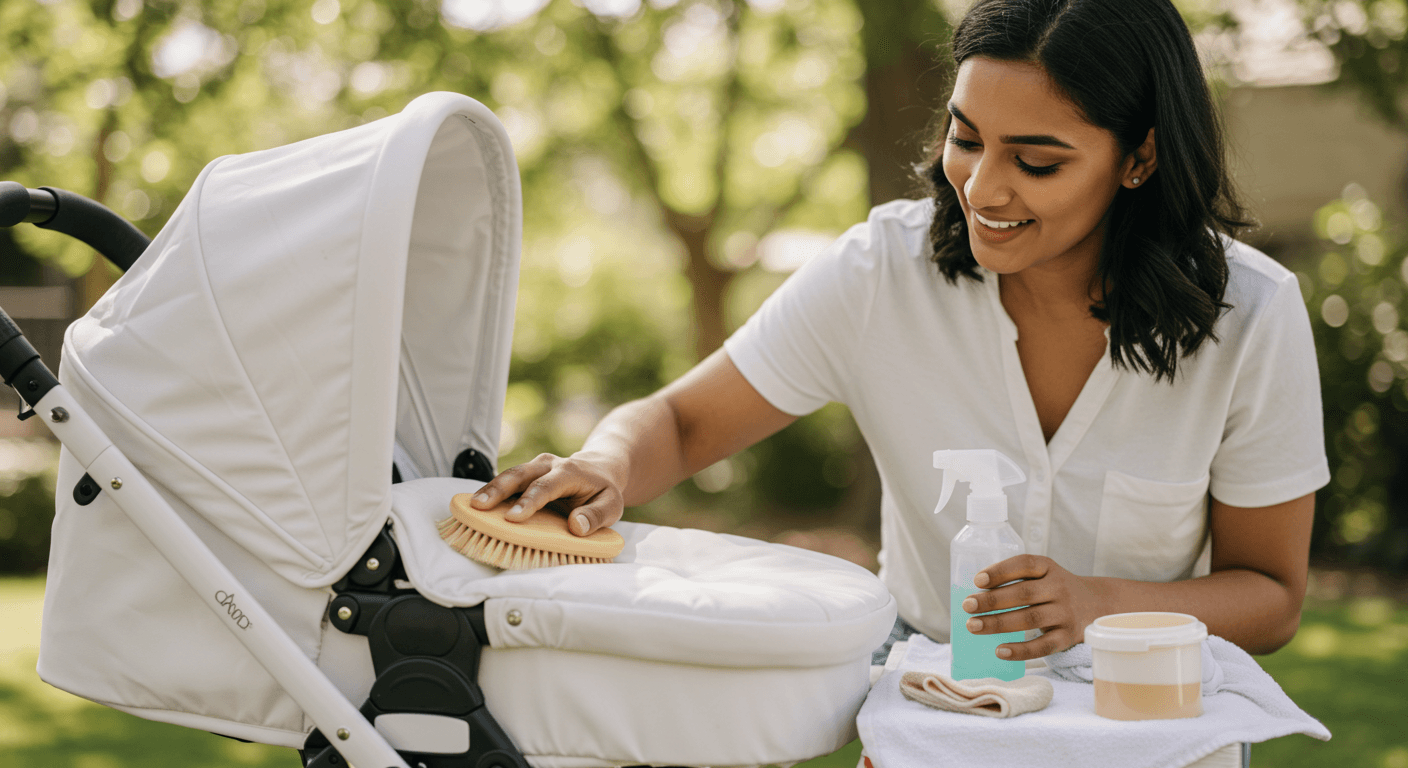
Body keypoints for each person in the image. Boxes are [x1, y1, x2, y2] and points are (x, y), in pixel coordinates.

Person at [468, 0, 1330, 662]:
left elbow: (1271, 595)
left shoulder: (1249, 315)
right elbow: (686, 421)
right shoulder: (881, 272)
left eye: (1037, 161)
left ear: (1138, 157)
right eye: (965, 137)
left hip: (1153, 723)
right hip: (933, 715)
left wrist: (1099, 604)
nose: (982, 188)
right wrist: (606, 465)